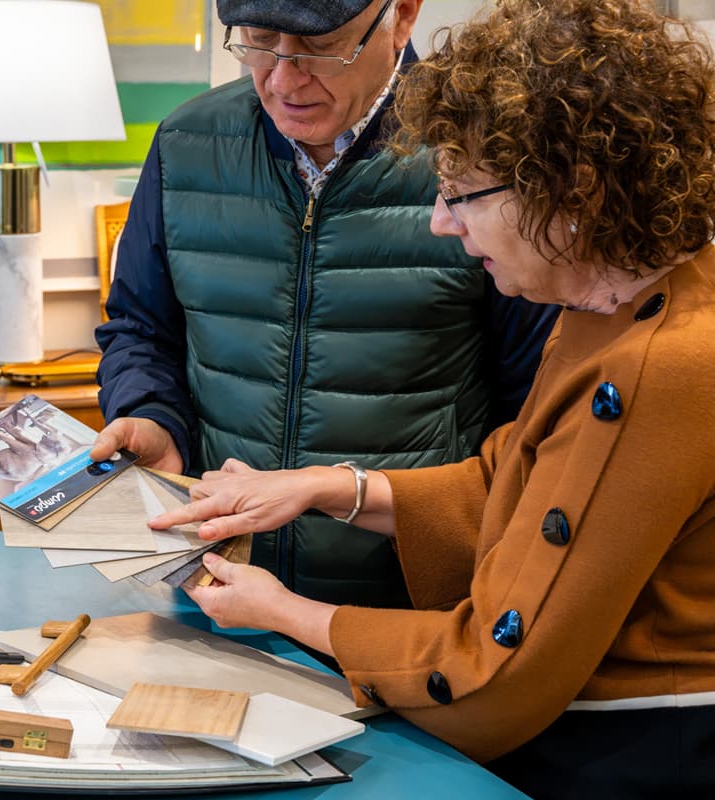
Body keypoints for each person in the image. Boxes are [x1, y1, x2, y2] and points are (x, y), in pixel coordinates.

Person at [150, 0, 715, 795]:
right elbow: (514, 482)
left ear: (573, 189)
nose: (440, 224)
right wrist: (329, 487)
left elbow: (496, 669)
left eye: (463, 195)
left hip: (636, 757)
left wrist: (287, 613)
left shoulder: (664, 364)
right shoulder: (613, 304)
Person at [90, 0, 559, 610]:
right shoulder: (186, 145)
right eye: (259, 40)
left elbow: (537, 405)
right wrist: (154, 415)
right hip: (217, 588)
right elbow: (140, 329)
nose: (283, 79)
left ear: (403, 16)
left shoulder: (481, 158)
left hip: (416, 610)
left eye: (320, 46)